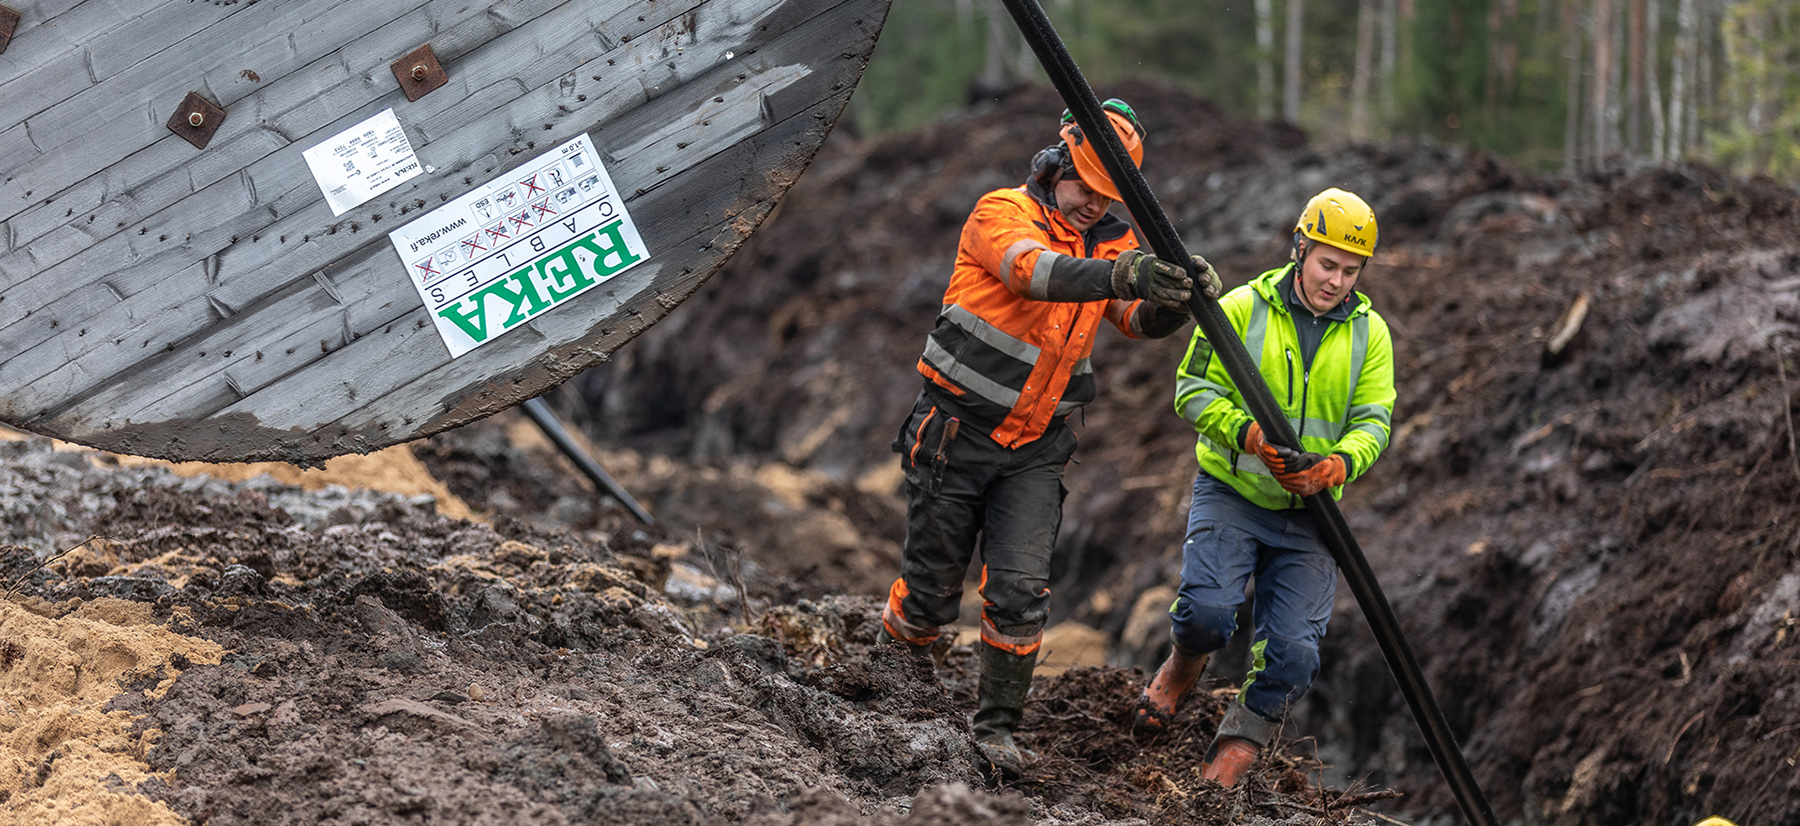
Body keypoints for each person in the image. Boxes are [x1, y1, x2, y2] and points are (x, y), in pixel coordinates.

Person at [879, 98, 1222, 779]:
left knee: (1020, 589)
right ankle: (889, 670)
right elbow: (1029, 272)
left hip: (1036, 449)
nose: (1093, 204)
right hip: (956, 433)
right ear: (1054, 167)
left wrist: (1173, 303)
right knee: (930, 598)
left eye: (1105, 194)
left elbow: (1132, 315)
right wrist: (1120, 273)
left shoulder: (1113, 244)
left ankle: (997, 730)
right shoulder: (1000, 213)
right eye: (1083, 187)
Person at [1135, 188, 1395, 788]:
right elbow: (1191, 389)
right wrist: (1246, 433)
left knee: (1295, 656)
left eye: (1350, 270)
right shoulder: (1242, 307)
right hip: (1233, 491)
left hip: (1312, 516)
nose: (1336, 281)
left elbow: (1374, 422)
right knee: (1206, 614)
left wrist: (1337, 466)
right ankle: (1180, 671)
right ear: (1300, 248)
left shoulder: (1370, 334)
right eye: (1327, 264)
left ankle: (1230, 758)